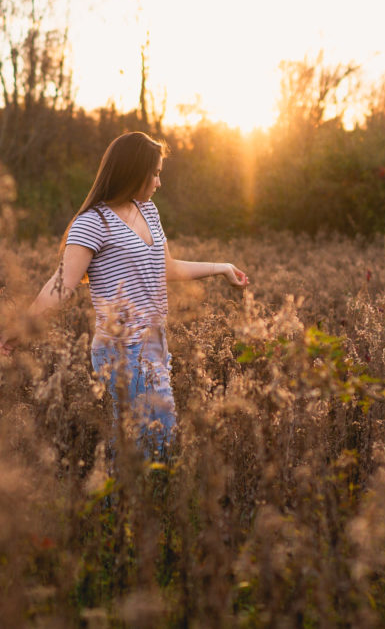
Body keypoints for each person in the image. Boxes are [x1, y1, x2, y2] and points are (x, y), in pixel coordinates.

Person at [22, 131, 248, 454]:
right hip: (120, 350)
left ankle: (136, 503)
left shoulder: (149, 212)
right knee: (140, 448)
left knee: (159, 445)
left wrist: (222, 267)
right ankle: (121, 504)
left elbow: (168, 268)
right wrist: (24, 325)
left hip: (154, 344)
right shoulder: (93, 222)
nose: (158, 183)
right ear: (132, 172)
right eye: (154, 173)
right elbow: (62, 285)